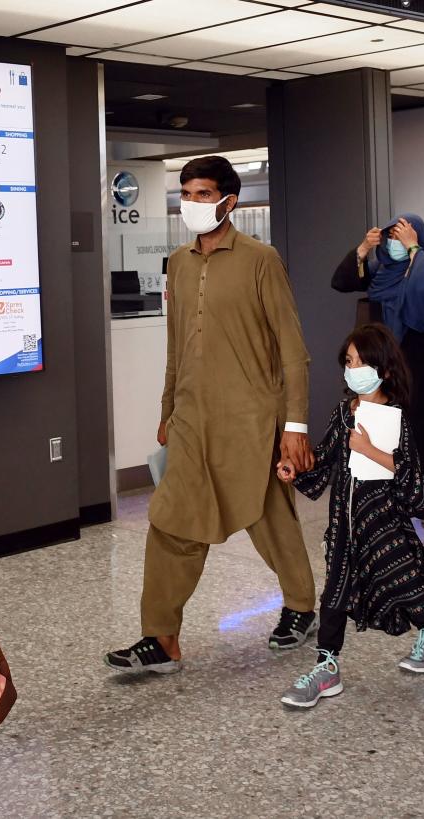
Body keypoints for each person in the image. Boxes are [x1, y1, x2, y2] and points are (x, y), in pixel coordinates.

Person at [105, 156, 318, 677]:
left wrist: (294, 425)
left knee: (268, 518)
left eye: (203, 194)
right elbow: (176, 344)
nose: (192, 204)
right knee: (172, 521)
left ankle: (301, 606)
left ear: (229, 201)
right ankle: (161, 638)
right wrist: (167, 410)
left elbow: (293, 349)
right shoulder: (177, 263)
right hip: (192, 420)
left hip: (251, 418)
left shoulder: (260, 259)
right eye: (187, 193)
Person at [277, 324, 424, 708]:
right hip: (345, 524)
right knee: (335, 594)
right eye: (348, 361)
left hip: (386, 526)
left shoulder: (397, 419)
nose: (351, 368)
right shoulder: (345, 413)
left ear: (384, 369)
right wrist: (296, 471)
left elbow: (415, 486)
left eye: (358, 361)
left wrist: (369, 449)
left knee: (405, 583)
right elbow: (323, 462)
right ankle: (327, 668)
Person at [332, 215, 424, 524]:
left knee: (415, 427)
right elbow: (341, 281)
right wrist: (363, 248)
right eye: (390, 237)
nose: (394, 243)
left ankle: (420, 499)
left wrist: (413, 247)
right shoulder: (380, 271)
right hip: (387, 359)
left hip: (419, 355)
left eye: (401, 236)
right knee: (395, 429)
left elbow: (423, 292)